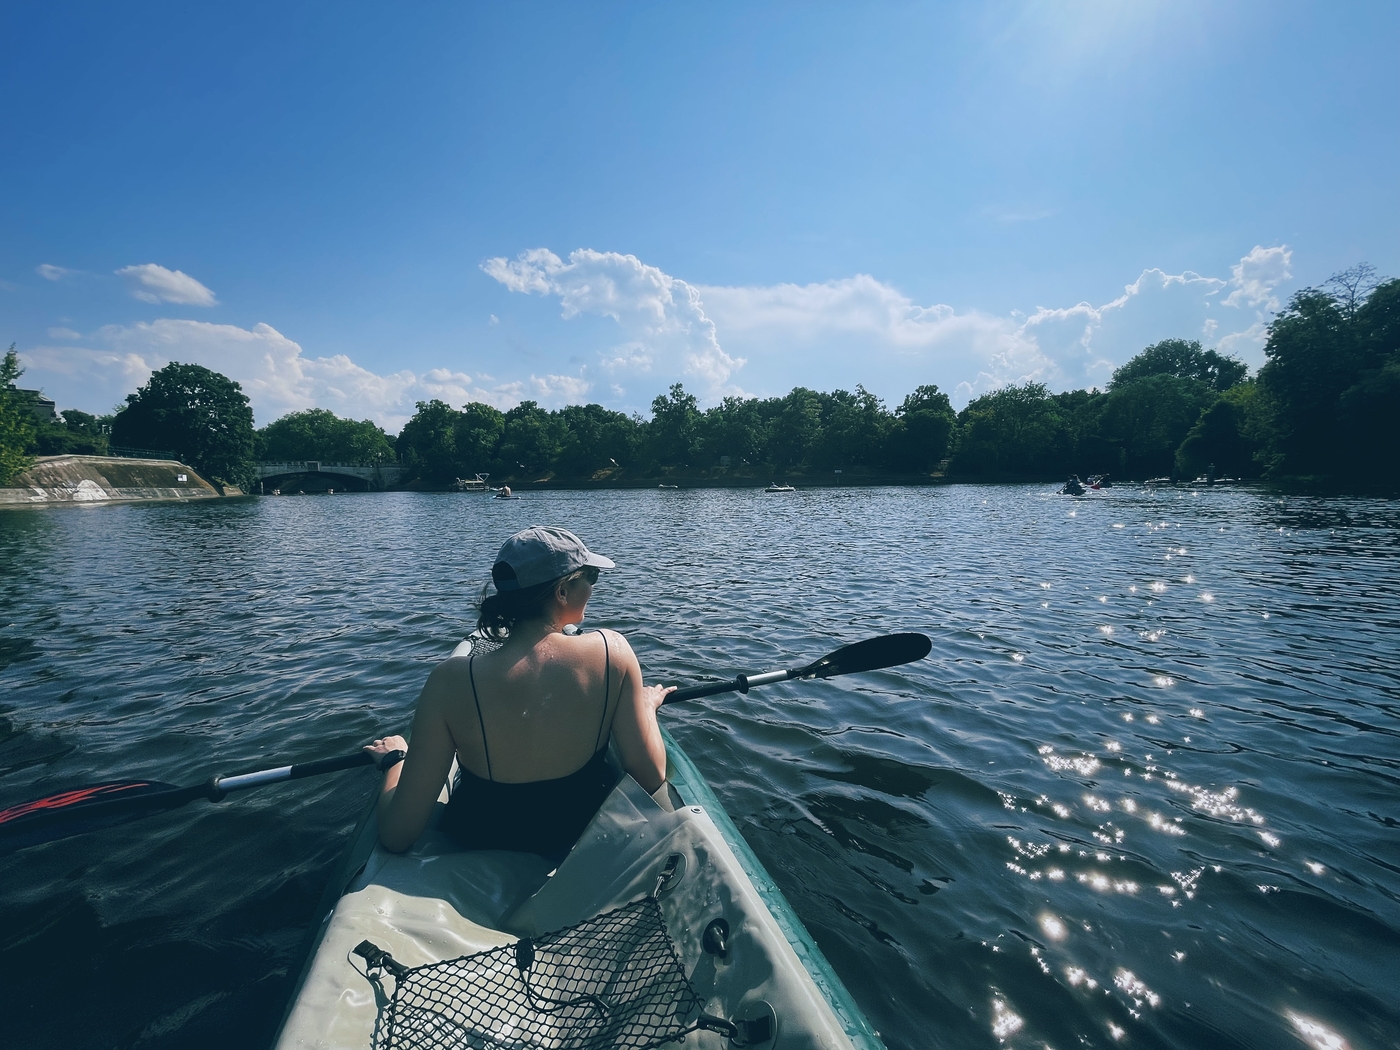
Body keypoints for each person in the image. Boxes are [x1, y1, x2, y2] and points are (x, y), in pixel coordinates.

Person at [364, 526, 674, 861]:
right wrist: (644, 707)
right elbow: (651, 774)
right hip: (578, 841)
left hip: (477, 845)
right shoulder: (613, 652)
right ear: (562, 592)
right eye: (593, 576)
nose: (594, 587)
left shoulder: (449, 681)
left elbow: (397, 834)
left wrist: (395, 760)